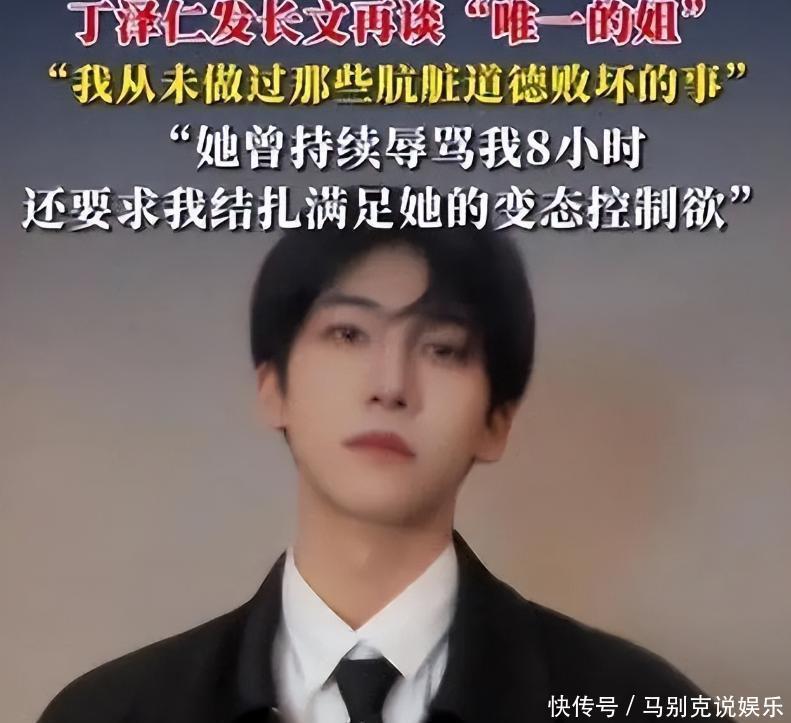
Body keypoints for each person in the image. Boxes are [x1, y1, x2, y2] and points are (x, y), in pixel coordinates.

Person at [38, 189, 727, 723]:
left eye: (442, 349)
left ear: (496, 421)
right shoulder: (111, 711)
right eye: (348, 334)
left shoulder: (642, 704)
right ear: (273, 387)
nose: (390, 384)